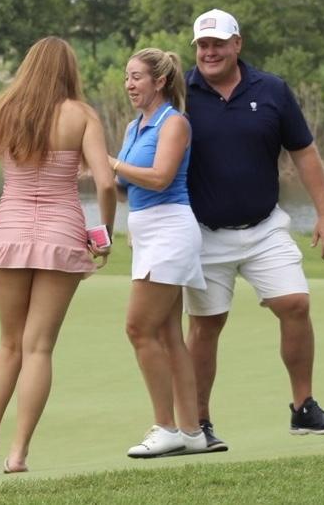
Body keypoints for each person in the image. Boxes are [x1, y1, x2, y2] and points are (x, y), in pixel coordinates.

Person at [183, 9, 324, 451]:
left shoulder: (271, 90)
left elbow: (305, 153)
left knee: (294, 303)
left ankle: (304, 409)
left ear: (238, 44)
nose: (210, 52)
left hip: (264, 226)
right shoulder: (180, 91)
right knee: (206, 324)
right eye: (202, 44)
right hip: (202, 232)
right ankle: (198, 422)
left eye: (218, 43)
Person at [0, 36, 116, 474]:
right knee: (39, 348)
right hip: (63, 233)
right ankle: (18, 454)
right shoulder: (81, 115)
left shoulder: (1, 112)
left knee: (9, 343)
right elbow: (106, 184)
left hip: (9, 230)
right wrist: (103, 234)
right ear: (69, 71)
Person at [109, 48, 208, 458]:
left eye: (137, 77)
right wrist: (100, 171)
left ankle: (166, 426)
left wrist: (110, 162)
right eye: (127, 78)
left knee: (139, 328)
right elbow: (126, 186)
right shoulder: (136, 126)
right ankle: (192, 432)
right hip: (148, 232)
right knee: (167, 333)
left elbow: (160, 176)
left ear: (159, 81)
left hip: (171, 231)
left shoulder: (175, 123)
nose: (130, 85)